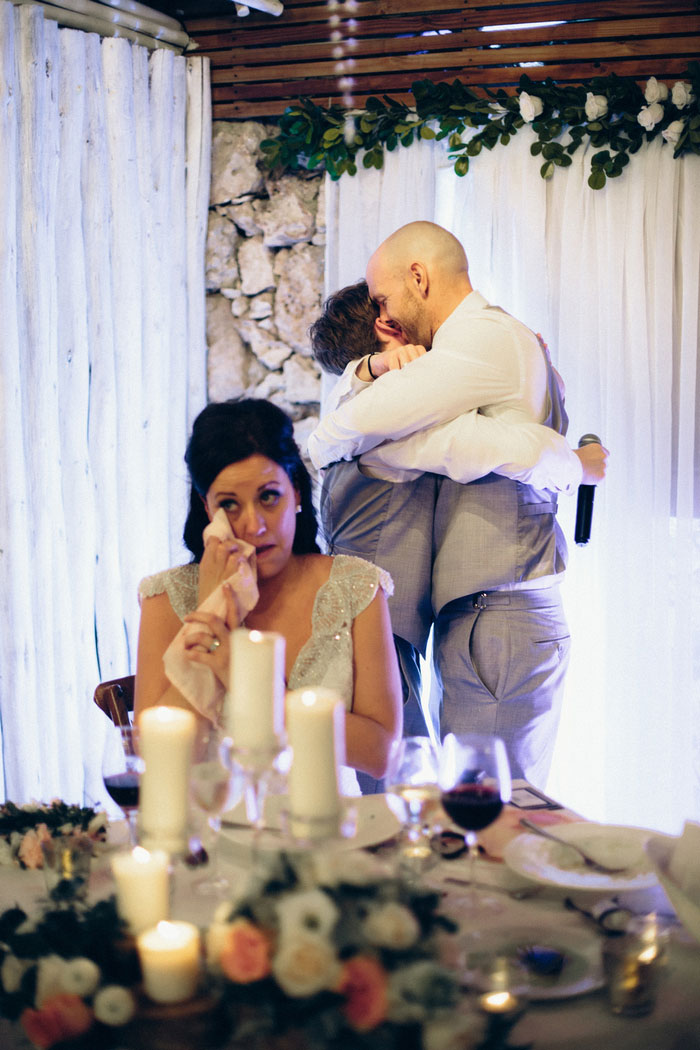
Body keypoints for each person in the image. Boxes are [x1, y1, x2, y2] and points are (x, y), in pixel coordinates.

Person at [308, 222, 608, 788]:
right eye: (381, 318)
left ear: (417, 277)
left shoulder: (484, 345)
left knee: (464, 811)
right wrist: (570, 459)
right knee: (422, 809)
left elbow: (460, 439)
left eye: (387, 303)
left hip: (479, 621)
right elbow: (458, 439)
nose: (389, 319)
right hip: (382, 644)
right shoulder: (393, 426)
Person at [134, 398, 403, 791]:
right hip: (206, 835)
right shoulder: (165, 597)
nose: (253, 525)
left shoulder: (356, 587)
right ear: (207, 510)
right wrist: (214, 612)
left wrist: (246, 681)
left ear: (295, 492)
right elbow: (155, 761)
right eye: (229, 504)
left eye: (268, 496)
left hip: (327, 834)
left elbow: (381, 754)